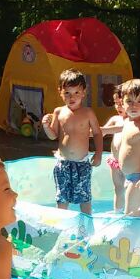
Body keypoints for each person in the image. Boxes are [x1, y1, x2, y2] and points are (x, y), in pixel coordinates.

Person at [40, 70, 103, 215]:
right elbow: (53, 136)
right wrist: (46, 126)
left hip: (82, 163)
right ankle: (61, 223)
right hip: (63, 163)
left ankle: (86, 225)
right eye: (67, 93)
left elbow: (97, 133)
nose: (71, 97)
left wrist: (98, 154)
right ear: (60, 92)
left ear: (84, 92)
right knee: (62, 197)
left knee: (84, 197)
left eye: (76, 92)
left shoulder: (88, 113)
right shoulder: (58, 112)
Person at [112, 79, 140, 216]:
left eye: (139, 102)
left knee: (130, 215)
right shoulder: (128, 121)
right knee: (137, 213)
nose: (134, 106)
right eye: (129, 101)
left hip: (138, 178)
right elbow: (115, 129)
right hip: (128, 176)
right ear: (122, 102)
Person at [100, 90, 129, 213]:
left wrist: (101, 130)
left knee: (130, 188)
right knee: (118, 188)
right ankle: (117, 211)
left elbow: (117, 129)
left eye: (121, 103)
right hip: (115, 161)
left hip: (129, 163)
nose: (118, 107)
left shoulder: (133, 121)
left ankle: (131, 211)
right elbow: (102, 132)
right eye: (116, 103)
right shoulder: (115, 119)